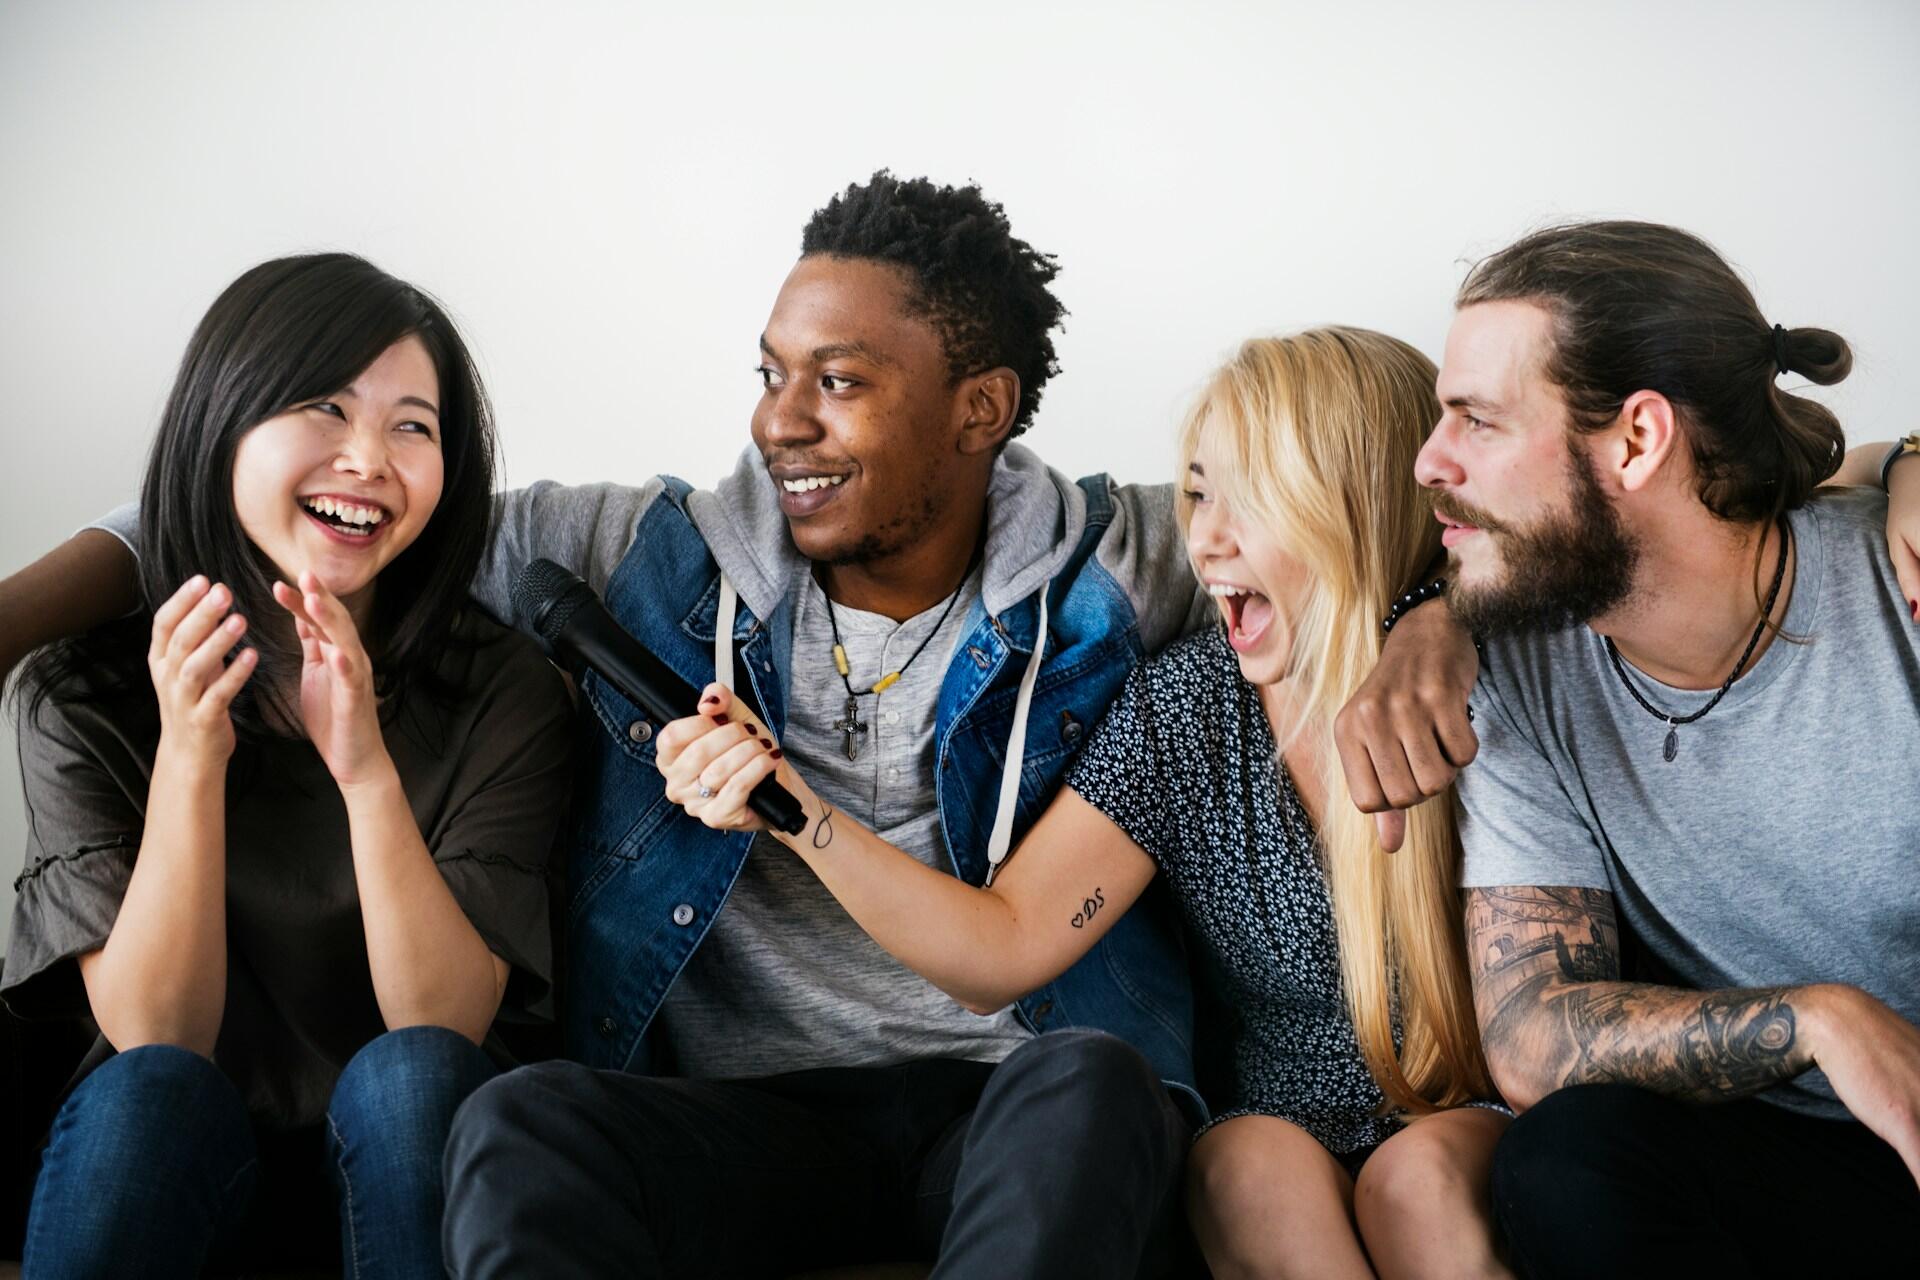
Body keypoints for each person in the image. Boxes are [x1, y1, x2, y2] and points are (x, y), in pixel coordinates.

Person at [0, 174, 1479, 1277]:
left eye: (839, 385)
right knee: (521, 1126)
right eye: (772, 375)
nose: (783, 423)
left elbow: (1345, 519)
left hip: (1010, 1096)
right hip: (729, 1114)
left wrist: (1433, 614)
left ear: (981, 410)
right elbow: (269, 507)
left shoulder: (1123, 559)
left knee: (1095, 1087)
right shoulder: (653, 552)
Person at [664, 327, 1515, 1280]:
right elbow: (1005, 947)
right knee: (1244, 1167)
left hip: (1459, 1118)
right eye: (1197, 493)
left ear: (1358, 508)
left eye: (1256, 499)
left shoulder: (1491, 687)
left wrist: (1439, 610)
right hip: (1275, 1127)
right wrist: (798, 812)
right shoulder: (1186, 710)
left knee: (1421, 1181)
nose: (1209, 538)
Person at [1, 254, 572, 1278]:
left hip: (411, 1179)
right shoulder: (80, 696)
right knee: (148, 1091)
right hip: (178, 1169)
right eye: (325, 406)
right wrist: (188, 754)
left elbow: (441, 1027)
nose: (370, 459)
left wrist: (365, 772)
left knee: (411, 1075)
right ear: (222, 421)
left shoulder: (506, 692)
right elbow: (156, 1032)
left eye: (413, 425)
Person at [1412, 219, 1920, 1278]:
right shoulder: (1514, 670)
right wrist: (1820, 1020)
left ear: (1638, 440)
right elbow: (1532, 1030)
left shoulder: (1899, 589)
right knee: (1566, 1160)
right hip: (1791, 1157)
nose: (1432, 461)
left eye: (1477, 420)